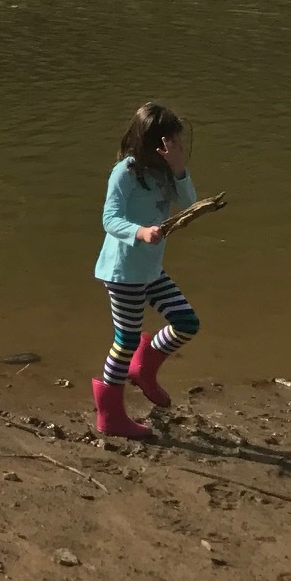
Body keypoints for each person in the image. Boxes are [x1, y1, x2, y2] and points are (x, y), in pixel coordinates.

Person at [92, 100, 202, 439]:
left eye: (179, 145)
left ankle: (144, 370)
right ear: (152, 143)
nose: (176, 149)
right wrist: (140, 232)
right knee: (124, 340)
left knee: (186, 322)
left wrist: (180, 168)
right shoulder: (125, 172)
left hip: (151, 270)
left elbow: (188, 204)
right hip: (123, 271)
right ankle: (109, 416)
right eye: (171, 144)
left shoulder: (166, 172)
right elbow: (109, 219)